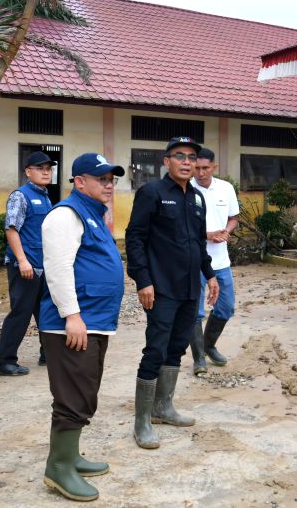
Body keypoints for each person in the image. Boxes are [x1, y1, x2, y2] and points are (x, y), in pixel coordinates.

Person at [38, 153, 125, 502]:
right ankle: (58, 468)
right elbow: (58, 269)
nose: (108, 184)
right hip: (73, 323)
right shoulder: (65, 215)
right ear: (79, 182)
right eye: (101, 178)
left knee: (84, 390)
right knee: (73, 396)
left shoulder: (92, 214)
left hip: (94, 319)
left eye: (112, 179)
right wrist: (72, 315)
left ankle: (71, 456)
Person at [125, 136, 219, 449]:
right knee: (156, 348)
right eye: (179, 156)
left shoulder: (196, 198)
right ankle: (142, 421)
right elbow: (135, 238)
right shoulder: (152, 193)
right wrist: (142, 280)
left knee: (177, 347)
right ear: (167, 161)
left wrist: (210, 274)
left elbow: (198, 243)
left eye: (191, 157)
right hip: (161, 288)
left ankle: (163, 407)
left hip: (191, 288)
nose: (186, 161)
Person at [0, 151, 56, 376]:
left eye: (48, 168)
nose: (46, 172)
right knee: (21, 312)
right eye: (40, 168)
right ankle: (3, 361)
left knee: (46, 311)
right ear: (28, 172)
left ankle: (48, 354)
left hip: (42, 265)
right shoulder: (20, 195)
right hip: (25, 266)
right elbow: (11, 229)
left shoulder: (46, 196)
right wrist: (22, 261)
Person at [188, 148, 239, 375]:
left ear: (214, 167)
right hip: (195, 261)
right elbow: (181, 227)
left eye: (205, 168)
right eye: (196, 168)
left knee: (226, 307)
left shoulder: (225, 188)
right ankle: (199, 358)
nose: (200, 172)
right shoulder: (186, 189)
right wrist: (206, 235)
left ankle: (209, 346)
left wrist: (226, 232)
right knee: (196, 312)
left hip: (220, 261)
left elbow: (233, 218)